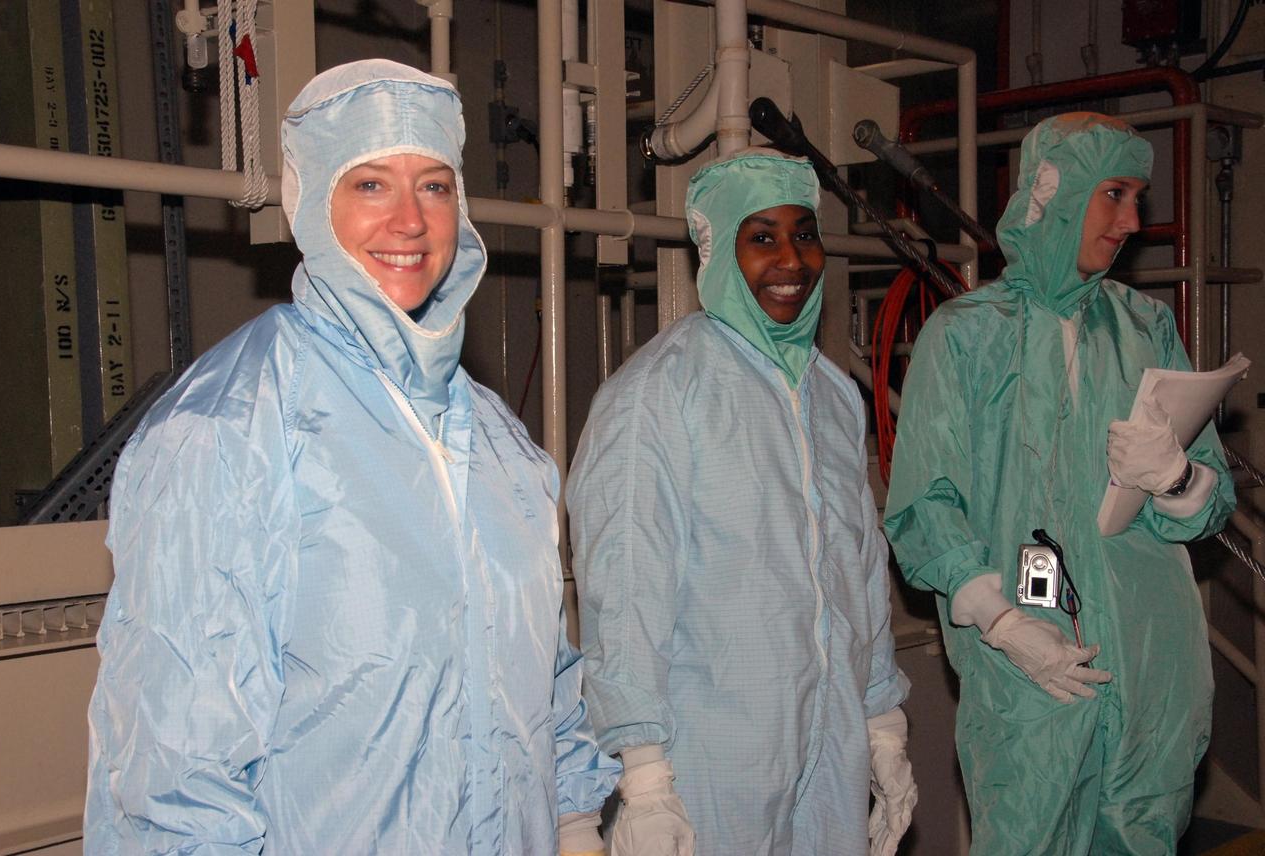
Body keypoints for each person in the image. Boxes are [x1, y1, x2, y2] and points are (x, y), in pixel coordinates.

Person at [84, 60, 619, 855]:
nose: (409, 220)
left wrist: (576, 824)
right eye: (371, 184)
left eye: (434, 186)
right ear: (311, 201)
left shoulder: (500, 442)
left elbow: (544, 676)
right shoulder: (229, 427)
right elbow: (176, 763)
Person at [885, 113, 1235, 854]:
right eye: (1114, 195)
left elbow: (1214, 503)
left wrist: (1176, 477)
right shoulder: (966, 335)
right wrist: (1001, 624)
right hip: (1031, 675)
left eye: (1137, 198)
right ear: (1058, 192)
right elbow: (924, 507)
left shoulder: (1146, 327)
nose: (1131, 221)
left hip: (1149, 668)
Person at [567, 148, 916, 856]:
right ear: (717, 251)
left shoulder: (831, 393)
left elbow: (857, 567)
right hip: (711, 762)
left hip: (831, 745)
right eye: (762, 237)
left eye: (805, 234)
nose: (792, 259)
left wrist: (881, 720)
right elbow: (627, 591)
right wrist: (644, 777)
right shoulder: (659, 394)